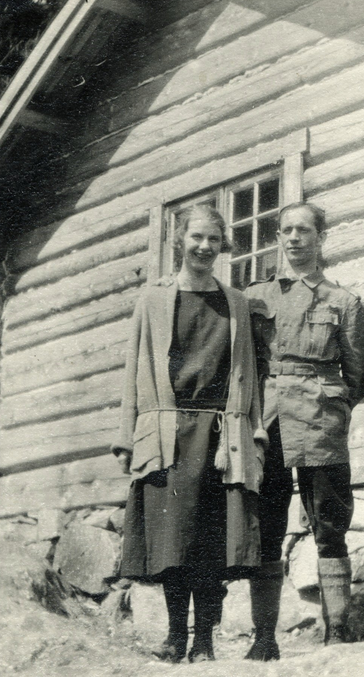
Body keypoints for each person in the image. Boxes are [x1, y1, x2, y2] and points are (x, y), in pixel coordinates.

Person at [114, 203, 266, 663]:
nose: (204, 247)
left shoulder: (236, 303)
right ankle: (175, 637)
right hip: (166, 433)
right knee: (171, 543)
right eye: (196, 238)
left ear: (223, 247)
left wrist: (255, 435)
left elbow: (250, 376)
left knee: (210, 545)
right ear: (179, 241)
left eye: (214, 241)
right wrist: (126, 437)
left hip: (221, 437)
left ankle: (204, 642)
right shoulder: (153, 299)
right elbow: (132, 369)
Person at [244, 202, 364, 653]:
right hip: (270, 421)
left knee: (330, 524)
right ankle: (263, 638)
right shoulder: (257, 298)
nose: (294, 238)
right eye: (286, 231)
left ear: (322, 237)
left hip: (321, 422)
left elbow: (358, 374)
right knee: (266, 525)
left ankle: (336, 629)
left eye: (304, 230)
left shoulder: (343, 301)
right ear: (279, 238)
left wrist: (328, 402)